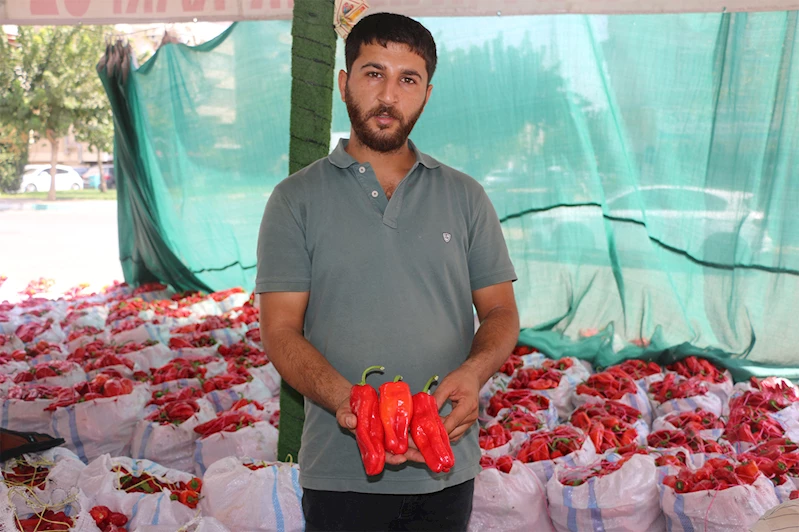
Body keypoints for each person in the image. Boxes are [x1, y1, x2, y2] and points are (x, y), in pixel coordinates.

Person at [256, 12, 519, 532]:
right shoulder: (295, 200)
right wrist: (345, 401)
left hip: (445, 464)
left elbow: (500, 310)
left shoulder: (465, 196)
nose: (389, 95)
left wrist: (473, 373)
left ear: (426, 92)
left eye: (408, 79)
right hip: (339, 472)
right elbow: (280, 330)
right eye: (373, 73)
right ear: (343, 81)